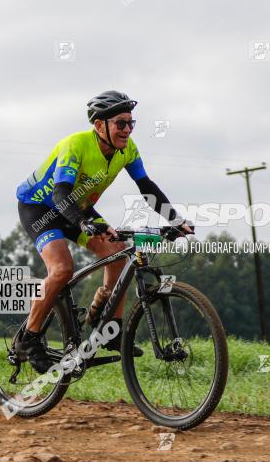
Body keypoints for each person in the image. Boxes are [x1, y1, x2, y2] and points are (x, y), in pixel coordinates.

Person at [13, 90, 191, 373]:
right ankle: (29, 338)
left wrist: (176, 219)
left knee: (119, 252)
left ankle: (108, 326)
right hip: (41, 208)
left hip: (77, 206)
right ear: (99, 125)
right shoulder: (75, 145)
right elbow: (61, 194)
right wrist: (83, 223)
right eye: (121, 123)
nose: (127, 130)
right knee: (62, 269)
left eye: (131, 123)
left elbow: (146, 187)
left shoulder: (127, 149)